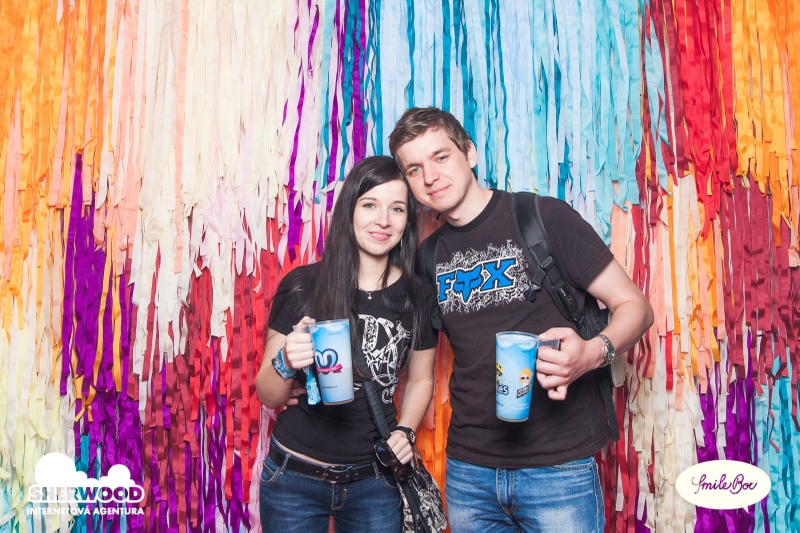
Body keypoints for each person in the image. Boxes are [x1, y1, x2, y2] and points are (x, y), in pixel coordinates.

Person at [389, 107, 654, 532]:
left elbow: (636, 307)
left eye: (440, 157)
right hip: (470, 474)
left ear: (469, 153)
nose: (431, 177)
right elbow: (416, 365)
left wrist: (590, 353)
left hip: (558, 470)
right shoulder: (428, 257)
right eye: (414, 169)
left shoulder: (542, 217)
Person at [255, 155, 439, 532]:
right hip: (294, 478)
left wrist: (405, 431)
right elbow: (268, 395)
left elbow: (421, 379)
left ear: (407, 220)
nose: (383, 220)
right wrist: (286, 360)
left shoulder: (418, 296)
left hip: (374, 481)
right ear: (349, 211)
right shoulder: (303, 286)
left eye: (397, 208)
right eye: (370, 205)